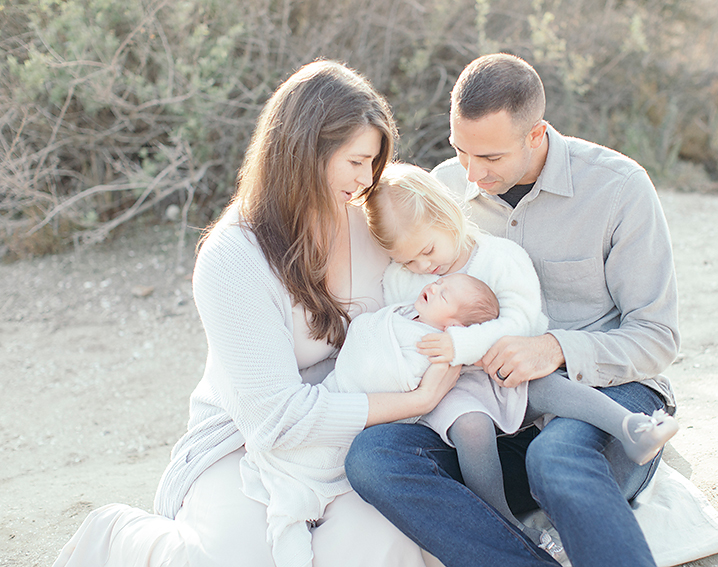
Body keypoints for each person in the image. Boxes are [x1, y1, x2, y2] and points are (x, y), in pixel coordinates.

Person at [52, 60, 461, 567]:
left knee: (382, 548)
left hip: (348, 440)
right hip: (243, 440)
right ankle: (121, 537)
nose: (365, 181)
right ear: (305, 149)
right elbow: (275, 420)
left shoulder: (370, 224)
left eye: (373, 164)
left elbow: (445, 260)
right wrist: (416, 399)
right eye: (355, 161)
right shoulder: (233, 256)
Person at [345, 53, 680, 567]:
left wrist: (553, 348)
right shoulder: (438, 193)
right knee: (374, 459)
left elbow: (656, 336)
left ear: (537, 134)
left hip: (597, 393)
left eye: (492, 159)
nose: (473, 176)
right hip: (485, 406)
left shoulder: (618, 189)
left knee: (557, 456)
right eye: (462, 152)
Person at [244, 272, 498, 567]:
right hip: (331, 396)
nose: (434, 286)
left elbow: (387, 376)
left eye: (444, 294)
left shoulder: (436, 353)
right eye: (440, 282)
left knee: (292, 505)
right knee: (289, 484)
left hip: (349, 424)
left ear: (453, 327)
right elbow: (364, 331)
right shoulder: (402, 314)